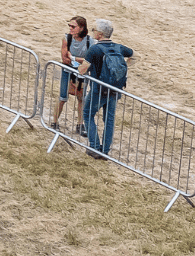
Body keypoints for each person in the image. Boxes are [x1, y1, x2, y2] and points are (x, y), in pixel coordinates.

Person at [76, 20, 134, 158]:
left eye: (94, 29)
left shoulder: (94, 49)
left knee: (87, 114)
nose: (92, 31)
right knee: (109, 119)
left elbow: (83, 70)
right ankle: (105, 151)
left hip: (98, 88)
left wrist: (78, 67)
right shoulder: (119, 47)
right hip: (115, 89)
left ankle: (95, 147)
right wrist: (122, 69)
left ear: (100, 34)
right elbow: (134, 55)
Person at [50, 16, 91, 133]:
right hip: (68, 72)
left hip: (82, 74)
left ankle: (80, 125)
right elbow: (65, 60)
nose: (70, 28)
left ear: (82, 28)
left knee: (81, 99)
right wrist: (81, 61)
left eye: (73, 26)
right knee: (62, 97)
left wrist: (73, 57)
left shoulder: (90, 41)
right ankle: (54, 122)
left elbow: (90, 61)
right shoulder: (66, 38)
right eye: (69, 26)